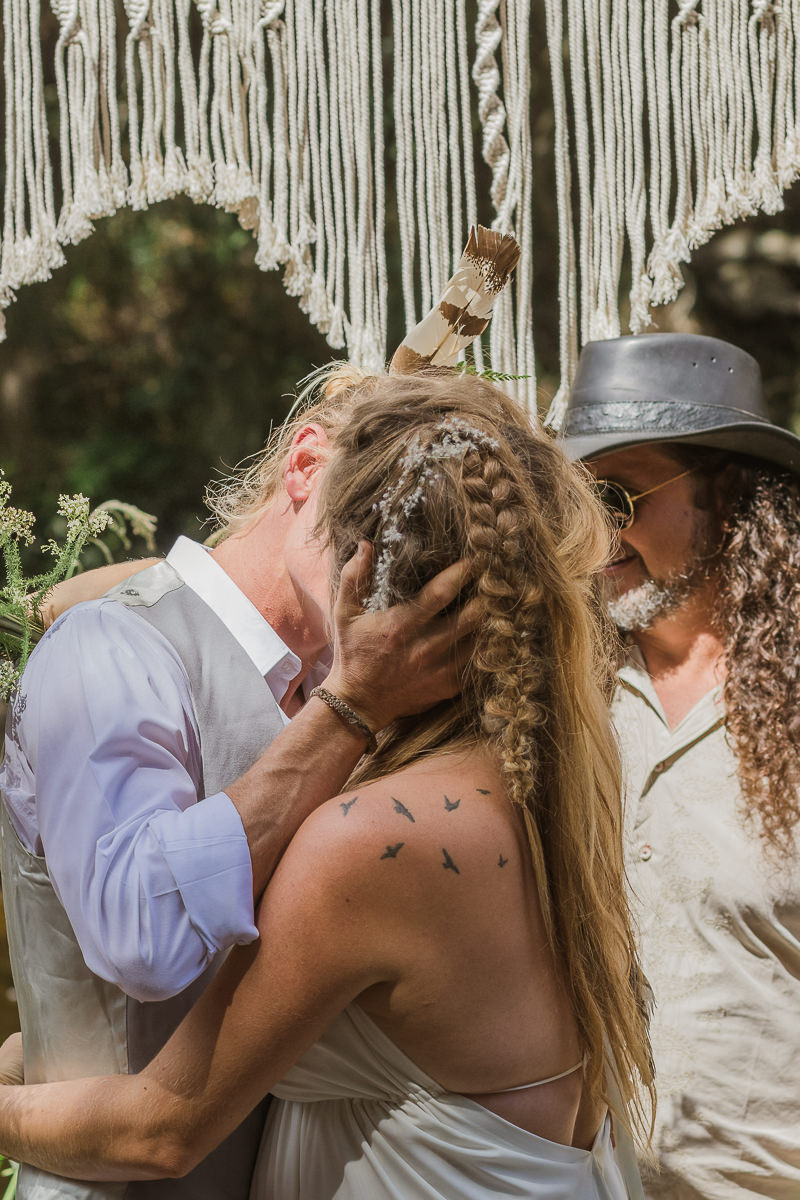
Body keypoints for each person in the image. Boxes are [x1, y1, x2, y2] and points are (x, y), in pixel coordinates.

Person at [0, 368, 653, 1199]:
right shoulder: (119, 652)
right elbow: (138, 965)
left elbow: (173, 1098)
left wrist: (346, 705)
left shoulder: (372, 781)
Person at [559, 332, 800, 1200]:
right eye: (576, 501)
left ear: (729, 501)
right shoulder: (553, 694)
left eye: (618, 494)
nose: (597, 533)